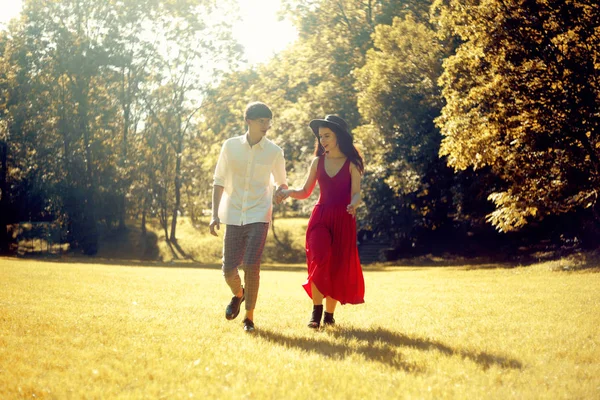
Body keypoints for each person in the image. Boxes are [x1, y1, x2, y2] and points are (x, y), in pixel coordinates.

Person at [277, 114, 364, 328]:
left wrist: (354, 205)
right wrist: (287, 192)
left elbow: (357, 193)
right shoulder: (318, 161)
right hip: (321, 217)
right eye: (320, 136)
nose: (322, 140)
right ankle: (316, 312)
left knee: (336, 266)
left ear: (338, 137)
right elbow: (305, 191)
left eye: (327, 135)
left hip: (343, 218)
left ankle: (329, 316)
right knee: (320, 259)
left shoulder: (352, 163)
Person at [210, 101, 287, 333]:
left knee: (252, 265)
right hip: (232, 213)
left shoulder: (274, 152)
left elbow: (282, 182)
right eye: (262, 121)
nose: (266, 126)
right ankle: (238, 294)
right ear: (249, 121)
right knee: (228, 270)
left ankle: (249, 318)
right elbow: (219, 181)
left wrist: (280, 192)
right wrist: (214, 215)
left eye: (268, 121)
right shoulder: (230, 146)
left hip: (259, 213)